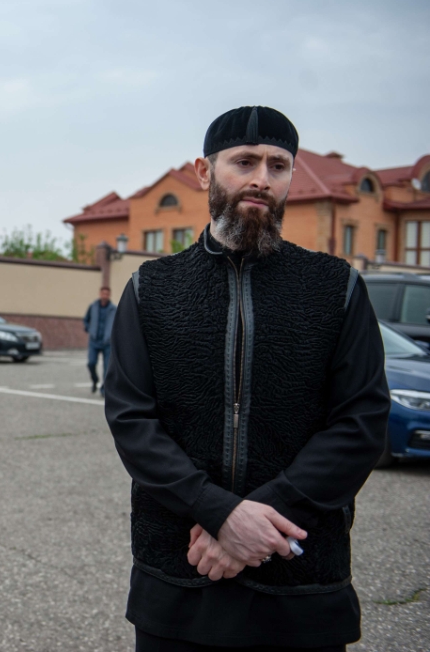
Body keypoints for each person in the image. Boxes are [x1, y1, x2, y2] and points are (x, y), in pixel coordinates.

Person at [104, 106, 390, 651]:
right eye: (245, 162)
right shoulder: (152, 288)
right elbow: (131, 419)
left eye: (278, 165)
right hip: (181, 576)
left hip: (299, 583)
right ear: (204, 172)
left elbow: (361, 421)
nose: (262, 178)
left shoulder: (336, 288)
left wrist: (260, 520)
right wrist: (217, 511)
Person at [83, 286, 116, 394]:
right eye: (103, 293)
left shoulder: (114, 309)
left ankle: (103, 389)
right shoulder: (93, 306)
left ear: (109, 295)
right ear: (100, 294)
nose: (105, 296)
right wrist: (89, 329)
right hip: (94, 341)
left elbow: (118, 323)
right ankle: (95, 379)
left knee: (107, 367)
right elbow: (86, 320)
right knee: (91, 363)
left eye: (107, 294)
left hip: (107, 342)